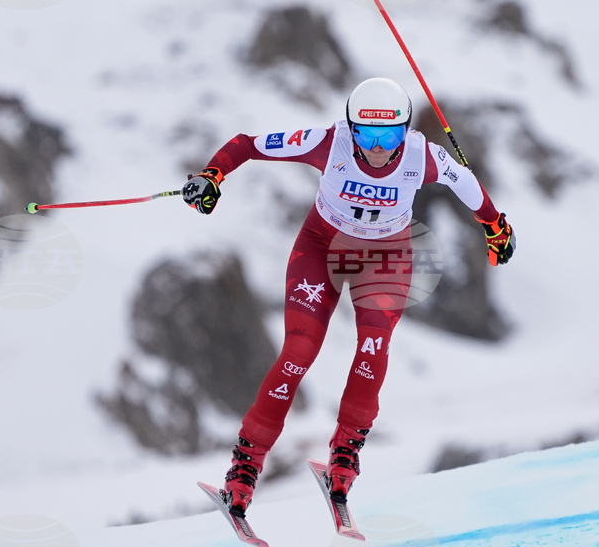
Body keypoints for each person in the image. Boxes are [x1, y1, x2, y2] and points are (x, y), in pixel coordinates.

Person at [182, 77, 515, 517]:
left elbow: (466, 183)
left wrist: (496, 226)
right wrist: (211, 176)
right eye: (368, 134)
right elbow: (248, 144)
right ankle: (244, 470)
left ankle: (345, 456)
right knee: (299, 351)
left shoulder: (422, 156)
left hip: (386, 256)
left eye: (389, 135)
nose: (378, 147)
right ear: (351, 128)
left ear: (406, 130)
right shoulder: (327, 143)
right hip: (321, 246)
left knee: (373, 346)